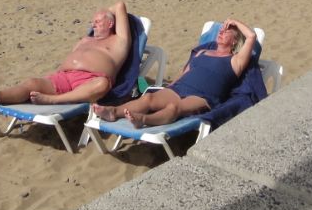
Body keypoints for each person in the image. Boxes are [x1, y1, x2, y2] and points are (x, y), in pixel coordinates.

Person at [92, 18, 256, 128]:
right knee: (149, 98)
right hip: (180, 88)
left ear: (235, 41)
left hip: (203, 97)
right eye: (220, 30)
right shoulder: (202, 52)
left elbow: (251, 36)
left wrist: (234, 21)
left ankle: (143, 120)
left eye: (226, 32)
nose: (221, 32)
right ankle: (113, 112)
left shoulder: (236, 60)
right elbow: (184, 72)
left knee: (174, 108)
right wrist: (169, 87)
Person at [0, 0, 132, 106]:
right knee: (32, 83)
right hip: (64, 77)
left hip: (90, 81)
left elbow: (120, 5)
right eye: (93, 22)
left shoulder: (118, 41)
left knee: (102, 85)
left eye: (97, 22)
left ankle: (53, 100)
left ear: (111, 23)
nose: (93, 25)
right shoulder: (86, 40)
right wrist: (100, 17)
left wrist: (105, 12)